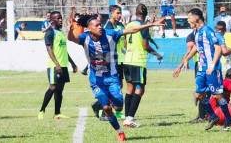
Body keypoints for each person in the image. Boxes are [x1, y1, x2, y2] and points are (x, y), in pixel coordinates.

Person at [68, 13, 164, 141]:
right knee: (106, 108)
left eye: (100, 24)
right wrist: (70, 29)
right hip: (96, 80)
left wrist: (149, 25)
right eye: (97, 25)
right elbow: (72, 38)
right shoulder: (84, 38)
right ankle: (120, 132)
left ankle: (111, 102)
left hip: (112, 78)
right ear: (89, 28)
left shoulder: (110, 34)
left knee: (118, 107)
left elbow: (131, 30)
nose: (100, 27)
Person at [183, 8, 231, 131]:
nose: (188, 20)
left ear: (196, 18)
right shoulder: (196, 32)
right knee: (198, 94)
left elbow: (218, 49)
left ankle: (228, 119)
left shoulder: (208, 30)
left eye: (189, 17)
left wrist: (212, 64)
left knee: (217, 96)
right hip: (201, 68)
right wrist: (187, 58)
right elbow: (196, 47)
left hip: (212, 68)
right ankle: (213, 116)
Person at [123, 4, 163, 128]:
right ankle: (129, 119)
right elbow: (145, 46)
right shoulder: (143, 26)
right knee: (140, 89)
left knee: (130, 89)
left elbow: (124, 44)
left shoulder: (129, 25)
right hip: (138, 62)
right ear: (145, 14)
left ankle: (127, 117)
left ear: (135, 13)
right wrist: (157, 54)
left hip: (127, 60)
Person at [38, 11, 77, 120]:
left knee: (59, 90)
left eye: (61, 18)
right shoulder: (50, 32)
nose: (61, 20)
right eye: (58, 18)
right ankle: (42, 110)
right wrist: (57, 64)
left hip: (63, 66)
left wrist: (72, 64)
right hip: (54, 66)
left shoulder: (60, 33)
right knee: (53, 87)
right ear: (52, 20)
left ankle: (57, 113)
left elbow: (64, 51)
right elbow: (49, 49)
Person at [172, 31, 204, 123]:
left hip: (204, 64)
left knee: (204, 90)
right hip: (201, 64)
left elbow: (189, 51)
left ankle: (204, 115)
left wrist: (180, 67)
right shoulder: (192, 36)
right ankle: (202, 115)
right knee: (203, 90)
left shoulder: (202, 33)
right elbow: (190, 51)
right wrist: (180, 66)